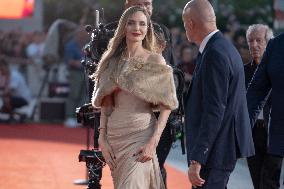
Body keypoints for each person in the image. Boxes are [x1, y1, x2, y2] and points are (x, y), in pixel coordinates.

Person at [91, 6, 178, 189]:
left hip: (142, 135)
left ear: (147, 29)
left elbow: (167, 105)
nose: (136, 28)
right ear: (124, 27)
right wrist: (102, 138)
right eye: (131, 23)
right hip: (116, 137)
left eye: (142, 24)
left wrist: (153, 141)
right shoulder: (112, 61)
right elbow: (106, 104)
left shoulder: (155, 60)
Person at [182, 0, 255, 188]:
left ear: (190, 23)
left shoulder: (215, 52)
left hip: (215, 152)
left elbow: (214, 110)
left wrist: (198, 158)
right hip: (219, 149)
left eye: (184, 24)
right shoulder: (221, 47)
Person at [247, 31, 284, 189]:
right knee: (266, 183)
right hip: (277, 134)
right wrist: (243, 126)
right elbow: (257, 90)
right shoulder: (276, 45)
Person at [244, 24, 274, 189]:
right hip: (252, 133)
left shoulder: (276, 70)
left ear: (268, 42)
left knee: (269, 181)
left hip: (273, 131)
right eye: (250, 41)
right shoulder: (243, 72)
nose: (254, 45)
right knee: (257, 180)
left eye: (259, 40)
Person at [63, 27, 89, 128]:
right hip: (75, 73)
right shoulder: (71, 46)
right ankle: (69, 117)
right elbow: (68, 61)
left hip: (85, 72)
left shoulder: (86, 45)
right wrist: (77, 63)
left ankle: (78, 117)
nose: (85, 36)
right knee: (74, 95)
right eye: (82, 34)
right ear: (78, 34)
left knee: (83, 96)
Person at [0, 56, 32, 122]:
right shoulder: (5, 76)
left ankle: (14, 117)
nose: (1, 71)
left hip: (24, 99)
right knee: (3, 110)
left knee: (6, 99)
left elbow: (8, 92)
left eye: (1, 69)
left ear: (6, 67)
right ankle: (19, 116)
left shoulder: (15, 75)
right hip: (14, 98)